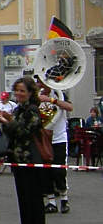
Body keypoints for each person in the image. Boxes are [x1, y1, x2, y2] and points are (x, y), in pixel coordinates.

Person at [0, 77, 46, 224]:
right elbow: (12, 131)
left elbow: (25, 131)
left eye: (22, 91)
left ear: (30, 93)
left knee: (33, 198)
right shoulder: (18, 109)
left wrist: (9, 123)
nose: (18, 94)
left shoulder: (32, 110)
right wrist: (5, 122)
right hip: (18, 157)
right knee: (23, 197)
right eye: (17, 90)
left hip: (30, 157)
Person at [36, 77, 72, 214]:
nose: (41, 85)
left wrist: (52, 100)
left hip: (59, 138)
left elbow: (69, 107)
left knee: (59, 170)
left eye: (42, 82)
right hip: (44, 138)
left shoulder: (59, 94)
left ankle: (64, 199)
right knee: (45, 171)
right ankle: (51, 201)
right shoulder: (37, 95)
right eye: (39, 82)